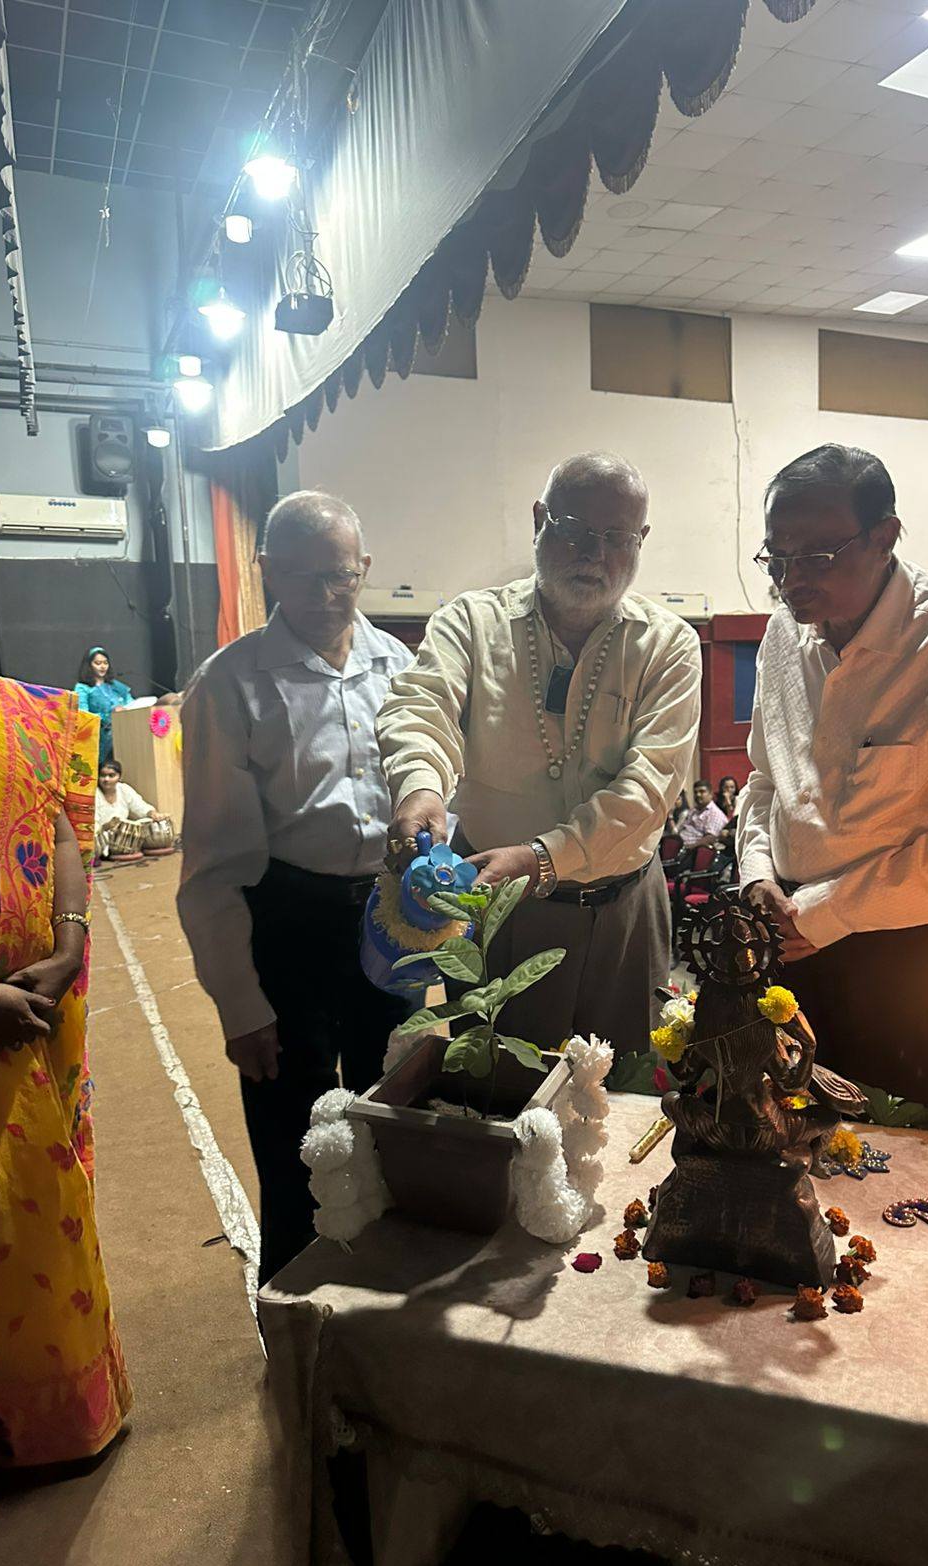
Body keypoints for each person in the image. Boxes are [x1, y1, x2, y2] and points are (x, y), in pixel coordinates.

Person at [735, 443, 928, 1104]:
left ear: (885, 537)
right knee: (777, 1125)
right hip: (784, 932)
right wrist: (758, 874)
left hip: (905, 956)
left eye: (816, 557)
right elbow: (765, 781)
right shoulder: (783, 633)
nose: (791, 579)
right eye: (776, 557)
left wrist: (827, 912)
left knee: (896, 1142)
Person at [378, 452, 701, 1057]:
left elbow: (649, 788)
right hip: (496, 905)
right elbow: (420, 708)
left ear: (642, 540)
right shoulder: (470, 622)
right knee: (504, 1087)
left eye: (616, 538)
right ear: (538, 520)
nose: (594, 554)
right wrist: (420, 787)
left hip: (626, 911)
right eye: (575, 529)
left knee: (627, 1088)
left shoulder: (668, 645)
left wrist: (542, 859)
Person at [177, 491, 413, 1286]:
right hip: (287, 923)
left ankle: (385, 1306)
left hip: (386, 919)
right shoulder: (230, 684)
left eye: (341, 576)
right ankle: (292, 1311)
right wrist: (239, 1003)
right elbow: (213, 866)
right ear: (266, 570)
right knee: (298, 1144)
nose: (325, 596)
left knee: (394, 1119)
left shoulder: (400, 668)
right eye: (304, 577)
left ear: (365, 568)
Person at [0, 557, 130, 1477]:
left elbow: (64, 824)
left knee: (31, 1203)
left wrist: (66, 949)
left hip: (29, 1011)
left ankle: (48, 1418)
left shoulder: (16, 710)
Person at [94, 757, 169, 859]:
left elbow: (140, 806)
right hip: (102, 839)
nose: (106, 779)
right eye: (102, 775)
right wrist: (106, 826)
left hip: (124, 836)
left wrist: (152, 814)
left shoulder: (124, 789)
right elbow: (93, 826)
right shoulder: (95, 794)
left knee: (150, 822)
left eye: (111, 775)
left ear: (119, 777)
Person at [74, 646, 133, 763]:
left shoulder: (114, 684)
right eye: (98, 663)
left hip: (124, 730)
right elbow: (83, 715)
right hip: (100, 735)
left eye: (105, 663)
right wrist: (109, 715)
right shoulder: (83, 687)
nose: (103, 666)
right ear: (89, 665)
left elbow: (130, 702)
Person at [678, 779, 727, 849]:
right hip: (680, 846)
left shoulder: (715, 814)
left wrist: (690, 847)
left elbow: (710, 838)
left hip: (694, 851)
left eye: (702, 791)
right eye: (695, 792)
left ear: (711, 794)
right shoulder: (693, 811)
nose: (698, 795)